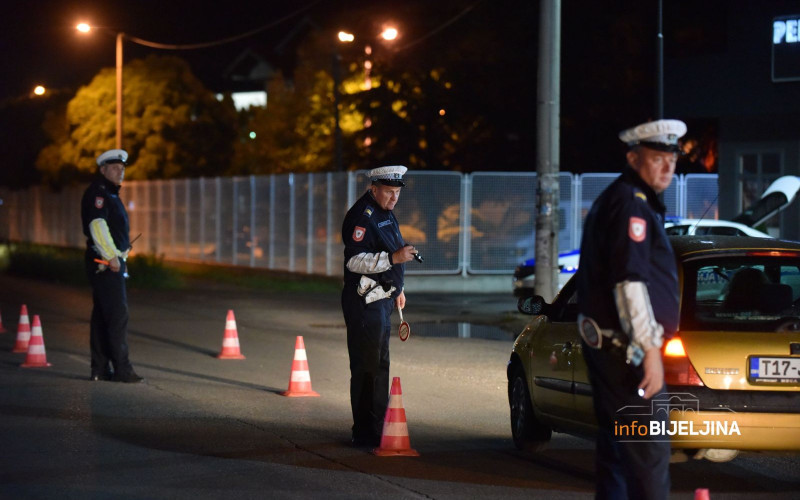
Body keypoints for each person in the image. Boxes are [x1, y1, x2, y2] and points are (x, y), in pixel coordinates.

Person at [576, 119, 686, 499]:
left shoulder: (623, 200)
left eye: (672, 159)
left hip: (612, 352)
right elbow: (630, 283)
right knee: (649, 464)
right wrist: (651, 351)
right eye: (658, 158)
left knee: (618, 461)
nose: (668, 167)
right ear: (633, 158)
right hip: (629, 356)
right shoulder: (630, 205)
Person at [341, 165, 419, 447]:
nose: (394, 198)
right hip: (365, 303)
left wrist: (398, 288)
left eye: (397, 192)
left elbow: (389, 248)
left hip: (382, 300)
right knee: (367, 367)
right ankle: (364, 432)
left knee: (379, 365)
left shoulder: (385, 213)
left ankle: (376, 426)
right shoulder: (363, 215)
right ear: (373, 189)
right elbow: (354, 260)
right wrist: (394, 260)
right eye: (389, 192)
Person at [80, 149, 143, 383]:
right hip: (105, 264)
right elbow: (98, 225)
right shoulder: (100, 193)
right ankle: (122, 370)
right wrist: (111, 257)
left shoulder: (110, 194)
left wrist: (119, 252)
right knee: (118, 316)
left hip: (109, 261)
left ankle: (99, 369)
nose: (120, 172)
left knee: (102, 316)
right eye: (115, 168)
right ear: (103, 169)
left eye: (122, 168)